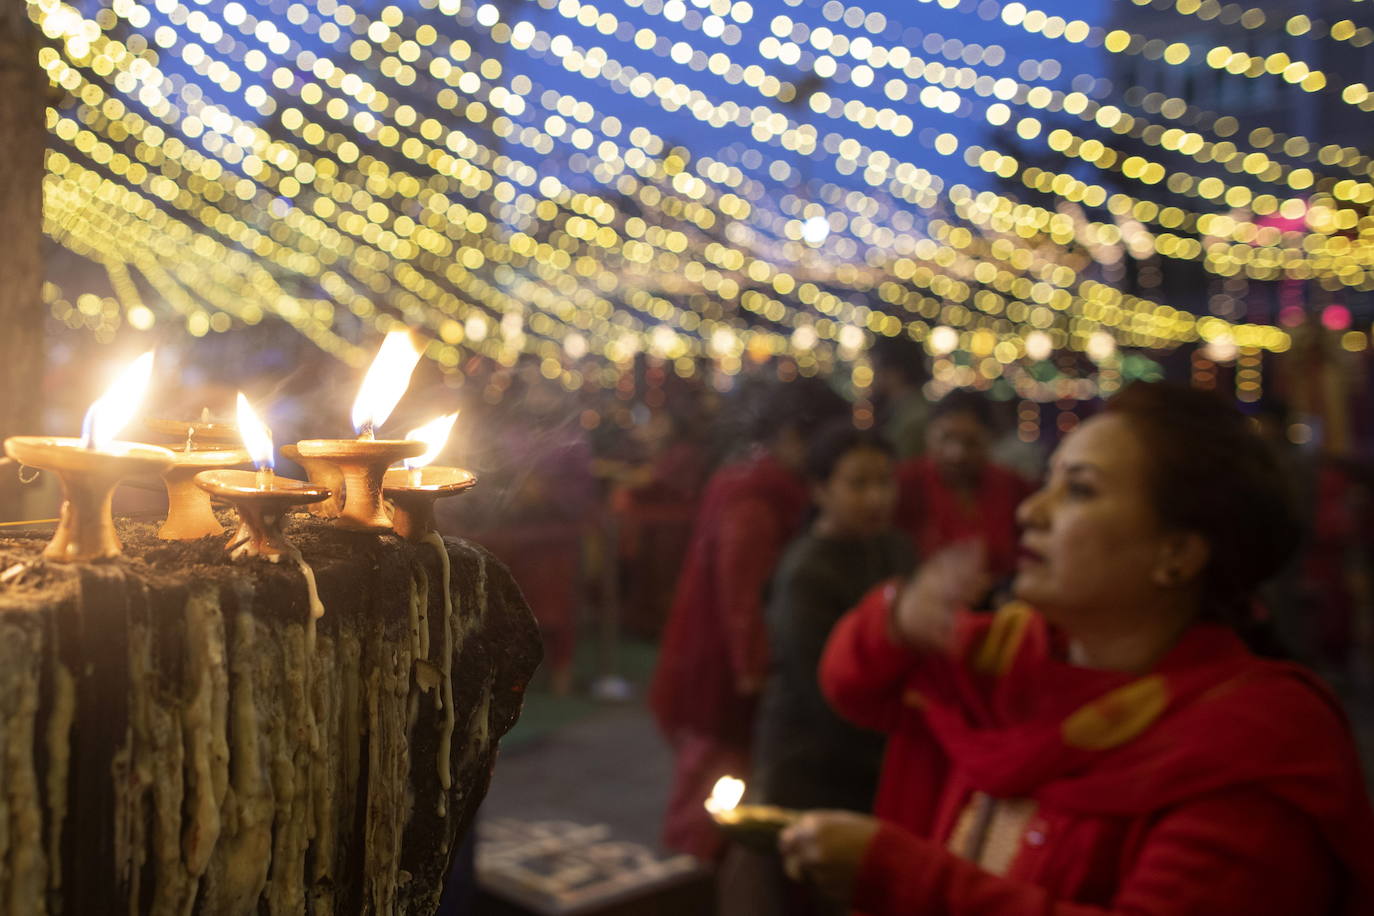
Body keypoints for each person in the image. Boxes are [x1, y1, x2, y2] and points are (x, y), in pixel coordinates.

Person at [779, 382, 1374, 915]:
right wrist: (901, 618)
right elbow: (853, 687)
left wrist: (900, 876)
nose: (1029, 511)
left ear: (1178, 555)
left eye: (1080, 492)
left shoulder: (1253, 742)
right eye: (1047, 484)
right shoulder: (1011, 657)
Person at [650, 376, 850, 860]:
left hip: (719, 672)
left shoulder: (756, 484)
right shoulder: (758, 498)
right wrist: (755, 676)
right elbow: (743, 603)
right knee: (712, 815)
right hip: (726, 685)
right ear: (792, 438)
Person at [896, 390, 1033, 586]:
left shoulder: (1013, 487)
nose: (957, 454)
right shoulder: (905, 484)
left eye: (971, 443)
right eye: (946, 439)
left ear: (990, 440)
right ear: (928, 435)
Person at [869, 336, 930, 461]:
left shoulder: (914, 420)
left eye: (875, 368)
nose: (873, 376)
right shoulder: (900, 408)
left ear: (895, 373)